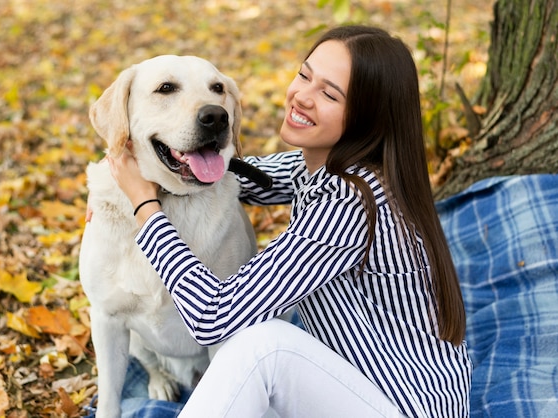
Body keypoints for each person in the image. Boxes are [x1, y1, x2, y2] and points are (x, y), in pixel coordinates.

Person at [104, 25, 472, 418]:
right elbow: (230, 178)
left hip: (399, 406)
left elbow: (214, 316)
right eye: (304, 75)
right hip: (350, 386)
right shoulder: (328, 168)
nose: (303, 97)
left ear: (366, 119)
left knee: (262, 344)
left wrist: (144, 205)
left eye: (329, 94)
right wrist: (125, 181)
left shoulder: (349, 205)